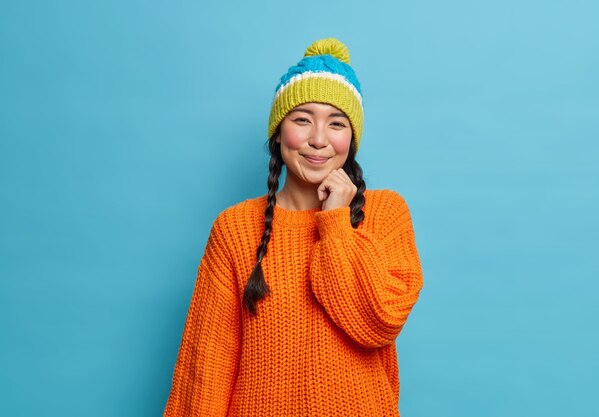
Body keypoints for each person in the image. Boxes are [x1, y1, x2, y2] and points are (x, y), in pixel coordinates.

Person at [163, 37, 424, 417]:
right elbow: (207, 366)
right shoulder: (235, 228)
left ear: (351, 139)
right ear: (278, 132)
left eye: (336, 123)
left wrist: (334, 221)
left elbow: (379, 320)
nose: (318, 139)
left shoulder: (385, 213)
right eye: (302, 120)